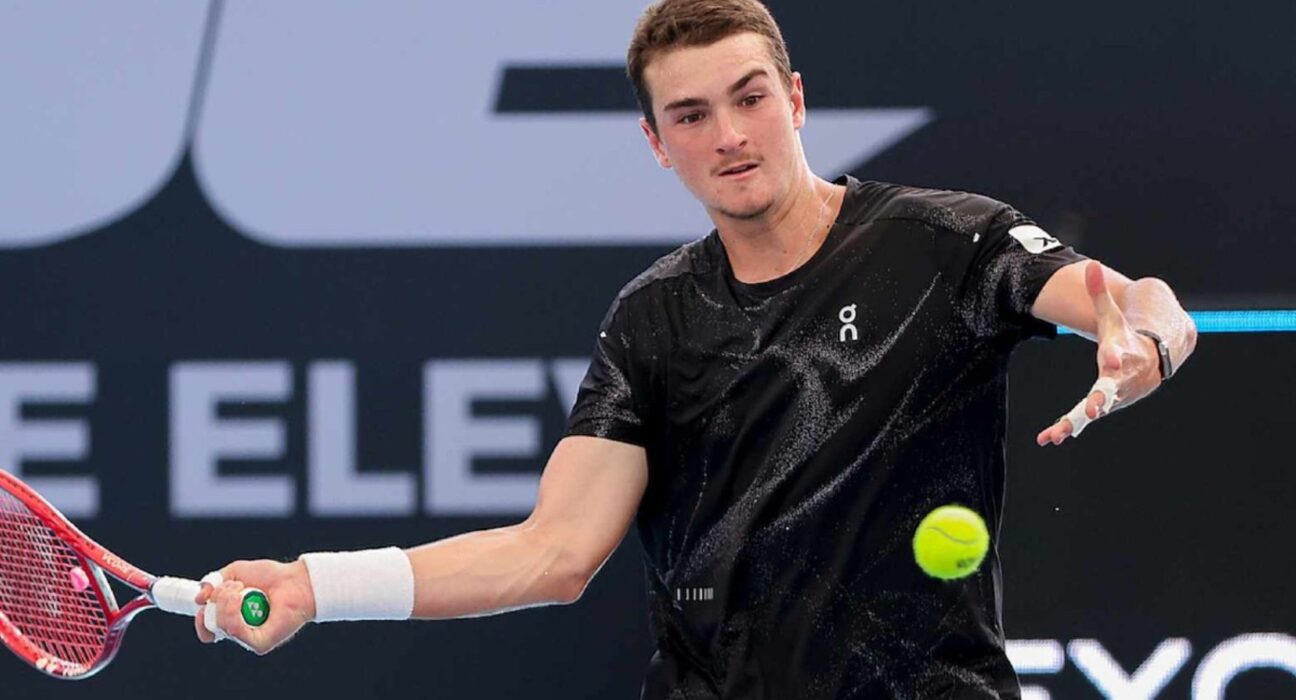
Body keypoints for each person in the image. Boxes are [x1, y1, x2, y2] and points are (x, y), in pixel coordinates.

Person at [195, 1, 1198, 697]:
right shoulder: (654, 320)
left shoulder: (946, 243)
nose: (729, 134)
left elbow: (1135, 303)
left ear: (794, 99)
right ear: (656, 141)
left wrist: (1143, 336)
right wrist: (317, 585)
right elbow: (553, 553)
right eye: (691, 114)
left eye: (750, 97)